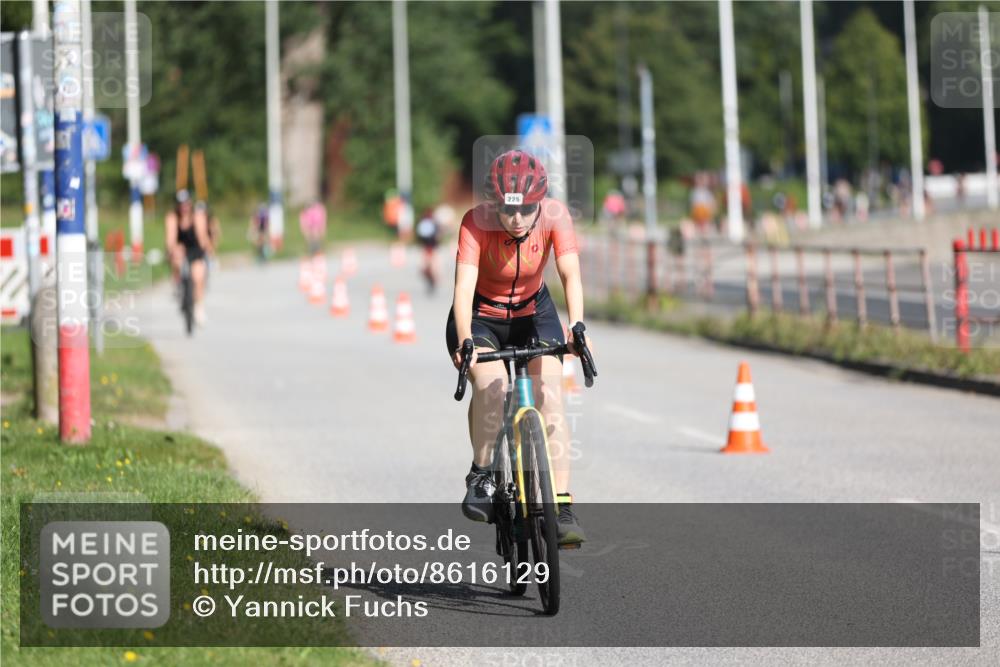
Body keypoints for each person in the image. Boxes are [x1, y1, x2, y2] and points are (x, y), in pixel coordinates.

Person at [446, 149, 589, 547]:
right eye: (508, 210)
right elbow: (461, 288)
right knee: (491, 386)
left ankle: (561, 506)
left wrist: (577, 326)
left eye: (526, 210)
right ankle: (482, 473)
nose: (517, 219)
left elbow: (570, 273)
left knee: (550, 394)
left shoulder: (556, 217)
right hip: (481, 316)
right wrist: (466, 340)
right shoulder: (475, 223)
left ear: (539, 202)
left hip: (533, 313)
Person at [165, 190, 212, 324]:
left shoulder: (197, 216)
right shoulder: (172, 217)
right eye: (181, 204)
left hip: (195, 249)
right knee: (176, 259)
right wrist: (173, 249)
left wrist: (208, 252)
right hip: (180, 249)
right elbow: (171, 238)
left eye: (186, 204)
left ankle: (199, 307)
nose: (184, 207)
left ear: (190, 204)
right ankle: (177, 284)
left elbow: (202, 237)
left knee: (198, 276)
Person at [415, 208, 441, 294]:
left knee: (425, 266)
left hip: (427, 247)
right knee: (434, 266)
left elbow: (419, 235)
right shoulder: (433, 223)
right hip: (432, 247)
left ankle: (430, 276)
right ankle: (434, 277)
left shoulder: (422, 223)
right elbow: (438, 235)